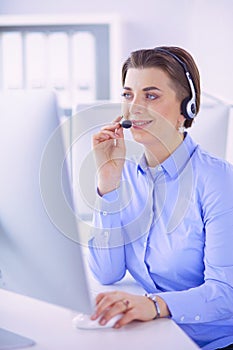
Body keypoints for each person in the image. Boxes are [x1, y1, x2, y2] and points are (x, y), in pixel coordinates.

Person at [88, 46, 233, 350]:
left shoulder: (218, 181)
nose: (134, 108)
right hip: (158, 337)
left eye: (150, 96)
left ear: (187, 108)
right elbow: (107, 271)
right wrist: (108, 185)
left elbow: (226, 294)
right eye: (128, 95)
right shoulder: (124, 175)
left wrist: (153, 305)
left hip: (215, 342)